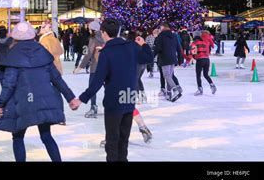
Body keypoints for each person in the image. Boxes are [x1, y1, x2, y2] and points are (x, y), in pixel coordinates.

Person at [0, 21, 78, 162]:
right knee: (46, 136)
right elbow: (57, 79)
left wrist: (1, 103)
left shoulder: (12, 56)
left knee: (18, 136)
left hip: (23, 102)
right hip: (44, 100)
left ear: (15, 37)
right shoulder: (42, 51)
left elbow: (9, 85)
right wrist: (70, 98)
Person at [72, 19, 153, 162]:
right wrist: (144, 44)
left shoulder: (107, 53)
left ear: (103, 33)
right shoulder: (131, 47)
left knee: (112, 142)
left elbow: (97, 82)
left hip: (114, 102)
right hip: (129, 99)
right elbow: (149, 57)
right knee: (123, 140)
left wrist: (81, 99)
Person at [73, 19, 105, 118]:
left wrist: (80, 67)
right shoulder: (105, 36)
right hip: (107, 67)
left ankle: (93, 107)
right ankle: (112, 106)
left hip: (96, 68)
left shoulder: (94, 38)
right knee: (109, 88)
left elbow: (89, 54)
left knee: (92, 88)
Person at [153, 22, 184, 102]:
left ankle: (175, 90)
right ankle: (169, 94)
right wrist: (180, 59)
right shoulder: (174, 35)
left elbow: (158, 48)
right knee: (169, 76)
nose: (159, 29)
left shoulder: (161, 36)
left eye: (160, 28)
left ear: (162, 27)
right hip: (173, 59)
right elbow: (179, 47)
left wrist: (151, 56)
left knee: (167, 75)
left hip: (165, 58)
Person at [191, 31, 217, 96]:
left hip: (200, 60)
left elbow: (194, 53)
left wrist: (195, 57)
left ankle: (200, 89)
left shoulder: (194, 43)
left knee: (198, 75)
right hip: (207, 59)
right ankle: (212, 85)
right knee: (206, 75)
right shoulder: (204, 42)